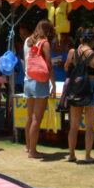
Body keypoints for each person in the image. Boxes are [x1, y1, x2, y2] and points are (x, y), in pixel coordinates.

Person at [64, 27, 94, 163]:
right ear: (93, 40)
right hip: (91, 91)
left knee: (74, 126)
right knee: (89, 127)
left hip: (76, 90)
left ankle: (71, 155)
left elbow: (66, 67)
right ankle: (87, 156)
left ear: (81, 39)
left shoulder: (72, 52)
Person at [23, 19, 57, 158]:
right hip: (40, 82)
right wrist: (53, 83)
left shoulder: (28, 41)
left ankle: (27, 146)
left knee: (30, 117)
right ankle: (33, 151)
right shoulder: (45, 43)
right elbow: (49, 64)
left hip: (28, 80)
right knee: (37, 118)